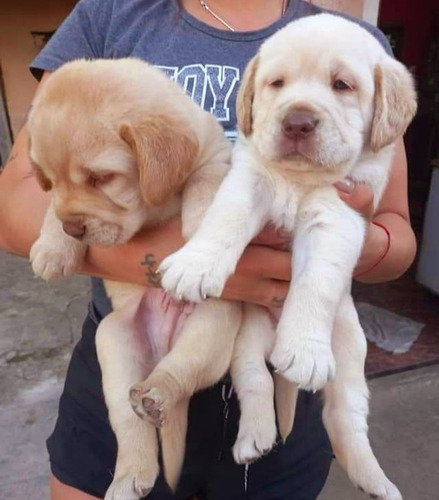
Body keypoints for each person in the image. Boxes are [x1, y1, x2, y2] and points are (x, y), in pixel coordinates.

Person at [0, 1, 417, 499]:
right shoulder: (111, 14)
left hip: (282, 367)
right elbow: (16, 205)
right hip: (129, 366)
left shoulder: (351, 38)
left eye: (342, 86)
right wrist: (182, 263)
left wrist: (341, 243)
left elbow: (397, 234)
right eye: (277, 85)